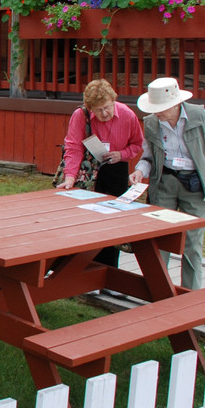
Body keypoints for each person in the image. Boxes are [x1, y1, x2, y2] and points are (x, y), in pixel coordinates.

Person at [129, 77, 205, 290]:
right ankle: (157, 289)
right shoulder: (152, 123)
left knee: (192, 242)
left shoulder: (200, 116)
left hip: (195, 183)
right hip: (165, 182)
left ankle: (191, 293)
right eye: (155, 108)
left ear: (175, 104)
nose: (158, 113)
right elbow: (148, 157)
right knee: (159, 237)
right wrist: (139, 171)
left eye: (162, 108)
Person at [57, 79, 144, 268]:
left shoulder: (128, 116)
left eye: (107, 107)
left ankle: (108, 271)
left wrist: (122, 154)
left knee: (112, 221)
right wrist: (70, 176)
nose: (104, 114)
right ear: (90, 108)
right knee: (81, 219)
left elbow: (137, 144)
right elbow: (73, 147)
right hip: (88, 171)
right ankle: (74, 268)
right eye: (98, 110)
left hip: (115, 169)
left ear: (113, 101)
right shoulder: (80, 116)